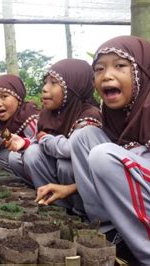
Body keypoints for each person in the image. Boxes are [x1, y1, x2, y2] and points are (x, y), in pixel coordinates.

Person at [65, 36, 150, 264]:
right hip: (149, 190)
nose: (107, 75)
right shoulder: (113, 113)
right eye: (99, 69)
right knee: (84, 137)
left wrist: (136, 154)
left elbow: (120, 162)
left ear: (142, 72)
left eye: (120, 66)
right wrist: (72, 187)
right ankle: (112, 232)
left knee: (105, 155)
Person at [22, 59, 102, 214]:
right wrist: (25, 143)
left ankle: (82, 212)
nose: (45, 89)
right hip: (58, 172)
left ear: (73, 88)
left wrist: (45, 139)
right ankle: (56, 206)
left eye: (53, 83)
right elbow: (37, 138)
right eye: (45, 83)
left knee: (66, 165)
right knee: (31, 153)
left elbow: (69, 149)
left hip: (87, 183)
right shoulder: (48, 114)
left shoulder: (89, 113)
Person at [0, 74, 40, 184]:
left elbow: (40, 144)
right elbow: (6, 135)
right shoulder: (5, 121)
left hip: (38, 159)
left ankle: (38, 184)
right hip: (23, 156)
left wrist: (24, 143)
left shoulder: (29, 119)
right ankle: (24, 180)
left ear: (18, 99)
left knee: (14, 156)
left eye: (4, 96)